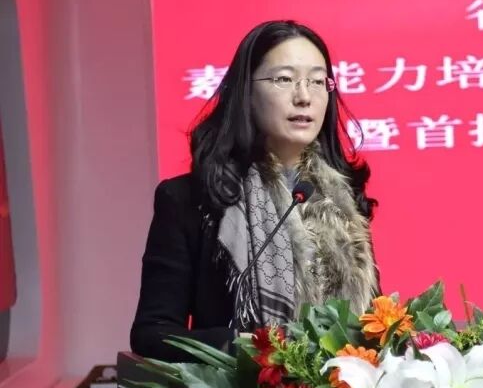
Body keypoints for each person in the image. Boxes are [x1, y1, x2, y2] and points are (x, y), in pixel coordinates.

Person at [130, 20, 380, 362]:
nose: (304, 96)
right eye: (284, 79)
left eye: (318, 81)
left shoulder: (344, 202)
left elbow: (371, 326)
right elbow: (152, 333)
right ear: (246, 93)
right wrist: (241, 346)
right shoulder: (189, 201)